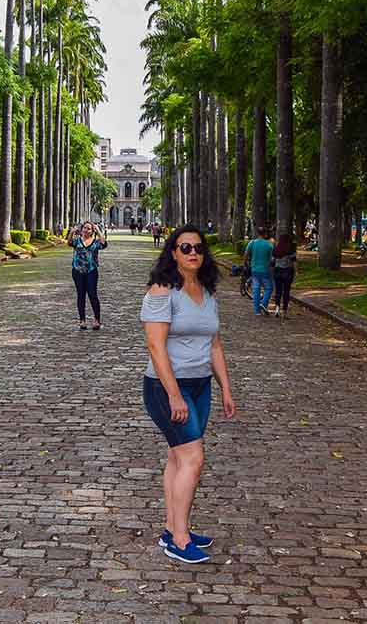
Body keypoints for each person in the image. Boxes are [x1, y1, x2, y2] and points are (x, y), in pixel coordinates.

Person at [140, 224, 236, 564]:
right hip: (166, 387)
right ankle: (179, 540)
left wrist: (225, 387)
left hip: (200, 385)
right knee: (193, 459)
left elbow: (214, 343)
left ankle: (173, 526)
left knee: (178, 457)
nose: (192, 252)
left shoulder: (206, 291)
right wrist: (174, 395)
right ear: (173, 253)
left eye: (197, 247)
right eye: (184, 247)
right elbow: (155, 346)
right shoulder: (162, 290)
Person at [71, 221, 108, 330]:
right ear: (81, 230)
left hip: (91, 271)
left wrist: (98, 230)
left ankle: (97, 320)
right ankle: (82, 320)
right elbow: (69, 243)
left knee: (92, 294)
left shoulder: (96, 242)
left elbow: (104, 243)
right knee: (81, 295)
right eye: (85, 228)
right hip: (78, 271)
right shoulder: (77, 241)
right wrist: (72, 232)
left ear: (92, 231)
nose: (86, 230)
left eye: (89, 229)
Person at [243, 226, 275, 315]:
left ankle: (257, 311)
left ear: (257, 233)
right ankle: (264, 303)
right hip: (265, 270)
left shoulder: (252, 243)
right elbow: (272, 258)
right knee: (269, 288)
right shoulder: (269, 245)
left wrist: (245, 264)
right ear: (265, 234)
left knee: (256, 289)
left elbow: (246, 254)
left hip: (254, 269)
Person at [271, 233, 297, 318]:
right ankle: (285, 311)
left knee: (278, 291)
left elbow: (272, 262)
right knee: (286, 292)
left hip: (277, 271)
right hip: (288, 272)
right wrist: (296, 271)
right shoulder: (291, 249)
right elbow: (294, 261)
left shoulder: (276, 249)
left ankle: (277, 309)